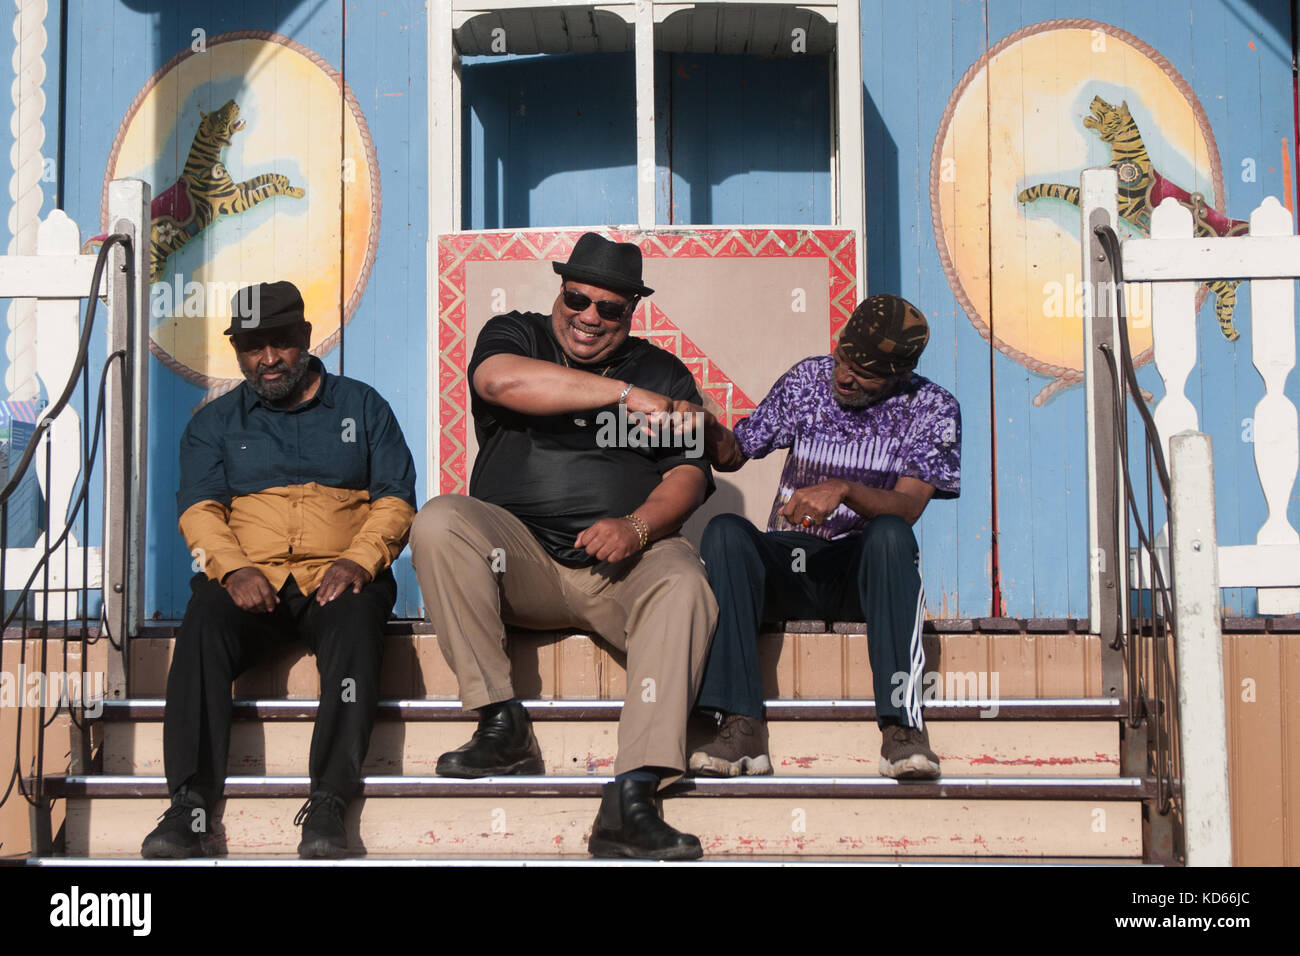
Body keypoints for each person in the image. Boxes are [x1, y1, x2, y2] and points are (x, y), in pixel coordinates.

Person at [409, 233, 718, 861]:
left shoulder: (663, 370)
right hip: (521, 562)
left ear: (631, 312)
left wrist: (636, 526)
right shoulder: (516, 334)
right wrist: (623, 396)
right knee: (439, 521)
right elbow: (500, 382)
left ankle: (633, 794)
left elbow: (690, 473)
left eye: (610, 308)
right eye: (579, 299)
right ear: (561, 291)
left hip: (624, 569)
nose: (590, 317)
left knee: (685, 577)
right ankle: (501, 724)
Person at [140, 281, 417, 860]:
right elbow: (200, 509)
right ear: (238, 352)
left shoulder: (362, 407)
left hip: (338, 579)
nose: (267, 359)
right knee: (203, 626)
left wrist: (358, 559)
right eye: (251, 347)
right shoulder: (213, 422)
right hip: (250, 583)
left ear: (305, 338)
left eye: (280, 343)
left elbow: (395, 497)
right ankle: (189, 806)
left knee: (356, 628)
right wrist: (234, 569)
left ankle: (329, 803)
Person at [681, 293, 961, 780]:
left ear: (899, 374)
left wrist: (846, 491)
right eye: (843, 358)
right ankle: (741, 725)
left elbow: (910, 506)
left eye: (864, 372)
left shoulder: (933, 408)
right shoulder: (808, 381)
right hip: (790, 569)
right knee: (726, 533)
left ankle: (902, 730)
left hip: (861, 575)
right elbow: (734, 453)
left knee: (891, 535)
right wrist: (705, 427)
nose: (845, 376)